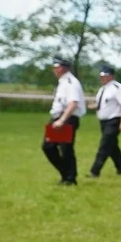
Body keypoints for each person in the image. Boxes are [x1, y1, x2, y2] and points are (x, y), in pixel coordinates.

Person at [43, 57, 86, 185]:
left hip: (66, 118)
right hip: (59, 117)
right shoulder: (62, 82)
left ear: (63, 67)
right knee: (48, 147)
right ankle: (66, 173)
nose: (54, 70)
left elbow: (73, 103)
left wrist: (62, 120)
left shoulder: (70, 82)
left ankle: (70, 177)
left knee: (65, 149)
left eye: (56, 67)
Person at [89, 65, 121, 178]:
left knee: (104, 145)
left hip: (114, 120)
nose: (102, 78)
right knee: (112, 147)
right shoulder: (103, 89)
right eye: (101, 76)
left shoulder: (117, 88)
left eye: (104, 76)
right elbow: (104, 103)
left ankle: (94, 171)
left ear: (111, 76)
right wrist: (93, 106)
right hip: (103, 122)